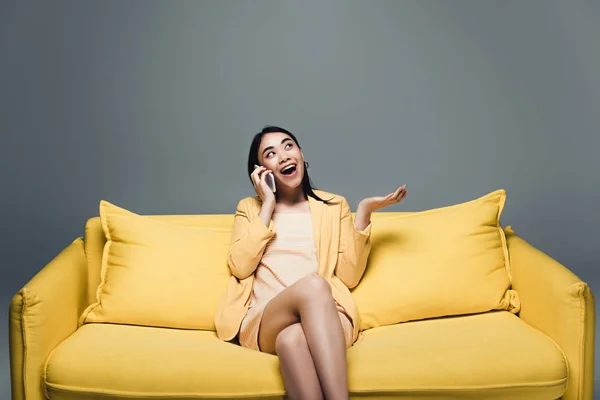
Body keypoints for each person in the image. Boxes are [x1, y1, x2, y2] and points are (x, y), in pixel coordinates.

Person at [214, 126, 407, 400]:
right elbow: (240, 266)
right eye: (271, 153)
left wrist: (363, 212)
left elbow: (349, 276)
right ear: (260, 171)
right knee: (313, 287)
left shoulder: (333, 205)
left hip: (326, 316)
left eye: (288, 146)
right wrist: (267, 205)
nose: (282, 156)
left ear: (301, 154)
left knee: (291, 340)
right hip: (267, 318)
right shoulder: (250, 208)